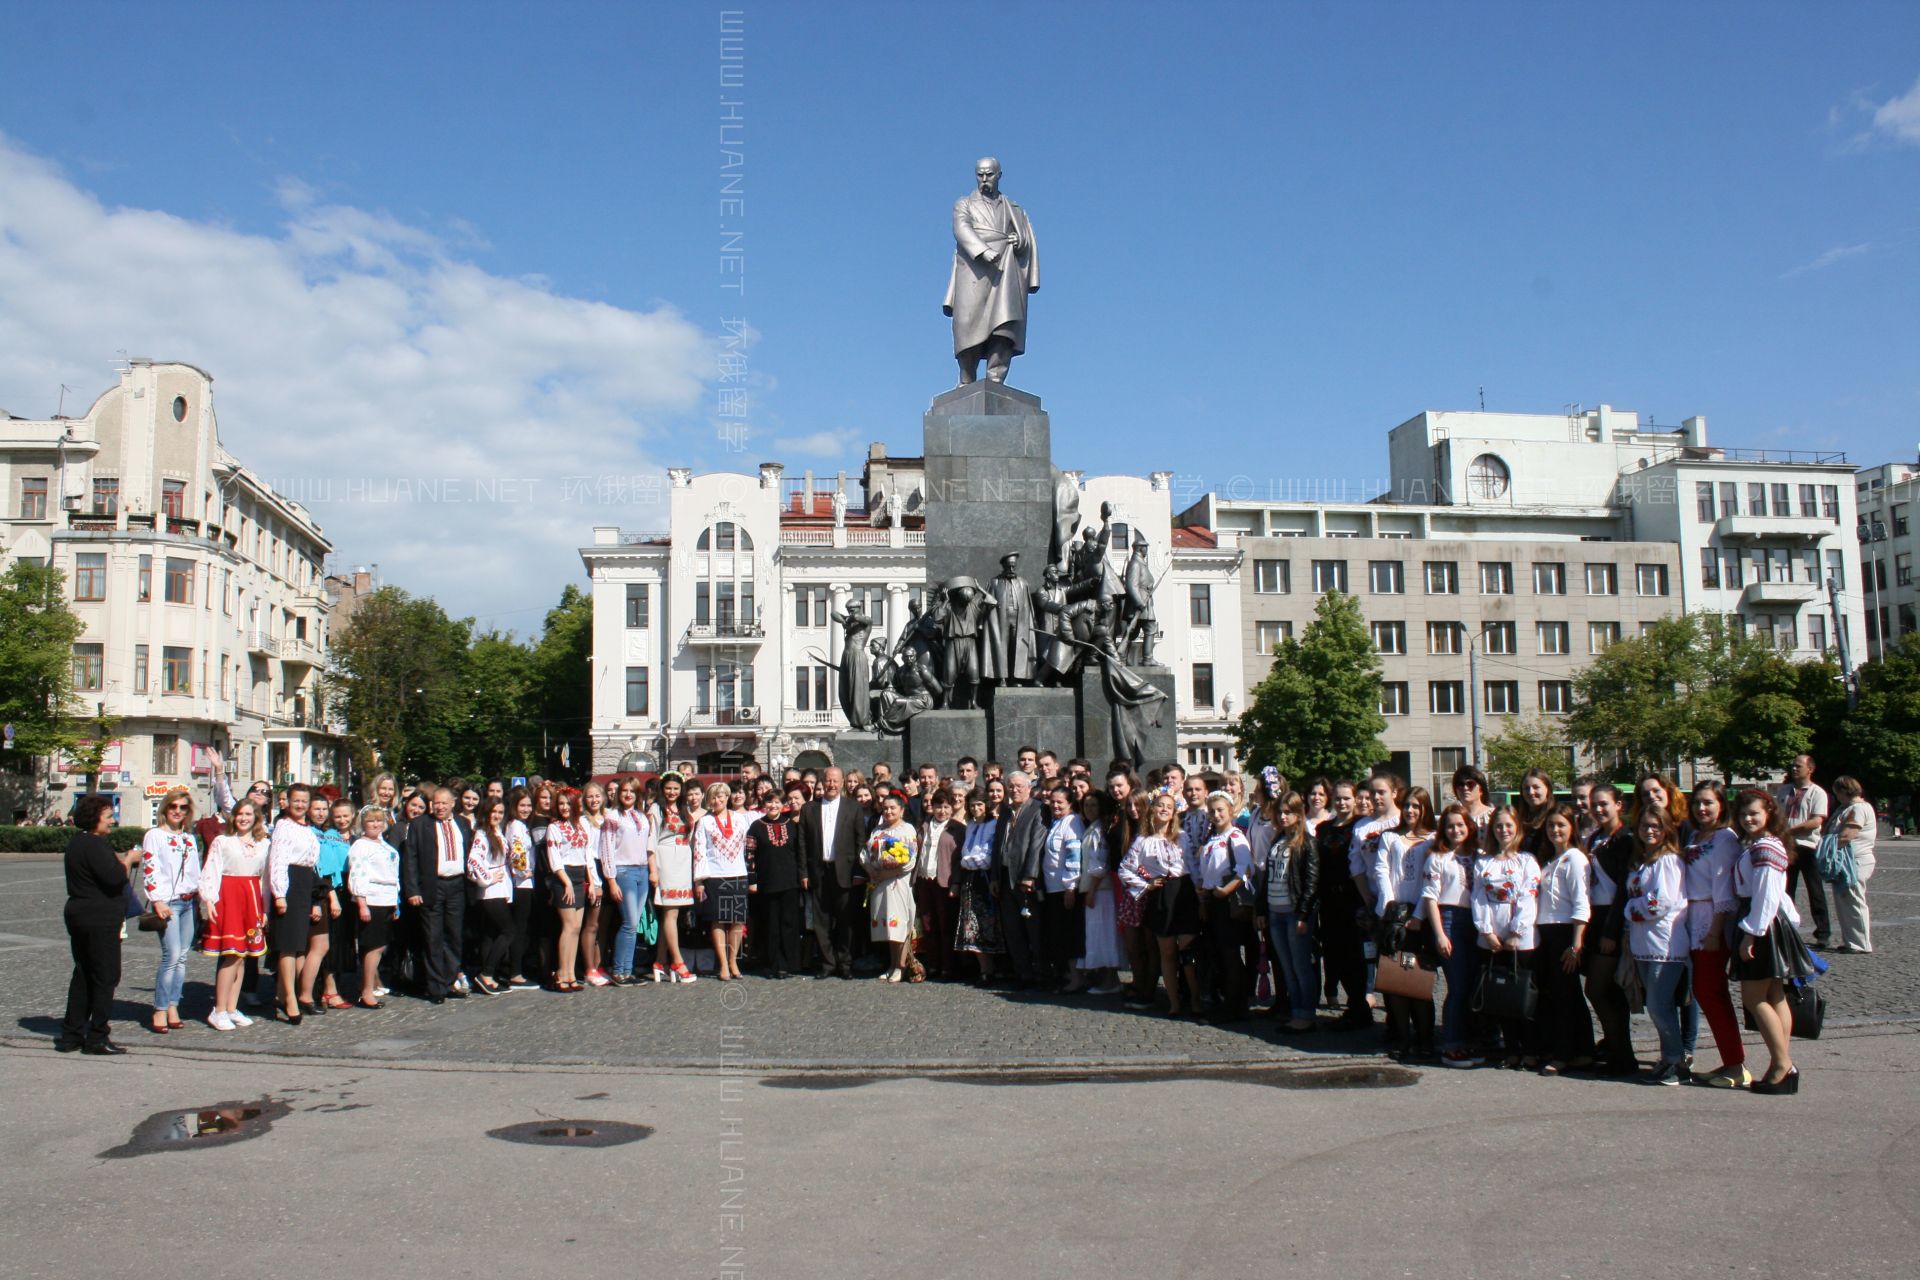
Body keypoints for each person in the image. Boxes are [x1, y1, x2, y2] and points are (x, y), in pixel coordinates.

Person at [945, 155, 1038, 385]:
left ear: (999, 176)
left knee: (1003, 327)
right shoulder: (964, 204)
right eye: (980, 174)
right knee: (966, 325)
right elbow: (961, 228)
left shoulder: (1014, 209)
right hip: (974, 272)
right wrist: (983, 250)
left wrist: (1019, 240)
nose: (984, 179)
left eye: (989, 174)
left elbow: (1027, 238)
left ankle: (996, 379)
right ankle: (966, 380)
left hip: (1005, 272)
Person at [1731, 790, 1801, 1094]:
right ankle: (1781, 1064)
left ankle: (1782, 1063)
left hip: (1760, 924)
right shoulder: (1764, 844)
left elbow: (1767, 893)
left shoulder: (1765, 846)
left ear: (1769, 813)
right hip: (1766, 922)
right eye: (1744, 814)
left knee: (1755, 997)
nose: (1748, 819)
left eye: (1754, 814)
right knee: (1774, 996)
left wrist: (1752, 932)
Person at [58, 795, 136, 1054]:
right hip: (99, 916)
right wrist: (128, 860)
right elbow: (114, 878)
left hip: (79, 912)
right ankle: (97, 1036)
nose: (112, 821)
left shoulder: (76, 843)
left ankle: (71, 1034)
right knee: (105, 976)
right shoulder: (94, 844)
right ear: (95, 818)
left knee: (83, 973)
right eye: (108, 816)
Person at [1681, 781, 1746, 1087]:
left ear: (1721, 804)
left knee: (1710, 991)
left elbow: (1724, 889)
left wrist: (1715, 932)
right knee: (1704, 993)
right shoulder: (1696, 836)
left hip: (1711, 920)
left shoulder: (1725, 839)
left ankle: (1735, 1064)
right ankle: (1729, 1061)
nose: (1702, 808)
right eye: (1697, 803)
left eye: (1708, 802)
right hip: (1692, 916)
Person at [1118, 792, 1202, 1017]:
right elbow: (1124, 869)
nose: (1164, 809)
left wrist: (1199, 893)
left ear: (1174, 813)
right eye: (1161, 806)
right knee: (1167, 953)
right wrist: (1146, 884)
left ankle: (1195, 999)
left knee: (1187, 950)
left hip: (1184, 893)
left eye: (1169, 807)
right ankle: (1173, 1002)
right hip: (1162, 895)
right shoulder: (1143, 840)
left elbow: (1192, 866)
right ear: (1153, 810)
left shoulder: (1182, 837)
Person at [1625, 806, 1691, 1086]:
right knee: (1655, 1005)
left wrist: (1630, 909)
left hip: (1665, 943)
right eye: (1644, 826)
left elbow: (1660, 902)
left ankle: (1677, 1060)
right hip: (1643, 942)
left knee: (1659, 1005)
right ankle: (1667, 1056)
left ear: (1666, 829)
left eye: (1655, 826)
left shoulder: (1668, 861)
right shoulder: (1644, 862)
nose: (1649, 830)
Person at [1471, 807, 1541, 1068]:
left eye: (1509, 826)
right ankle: (1511, 1049)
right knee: (1502, 998)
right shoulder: (1484, 862)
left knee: (1523, 996)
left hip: (1519, 941)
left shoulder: (1526, 861)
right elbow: (1478, 897)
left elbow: (1528, 896)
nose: (1504, 831)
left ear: (1517, 829)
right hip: (1491, 940)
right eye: (1499, 826)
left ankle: (1531, 1049)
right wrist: (1486, 931)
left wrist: (1515, 932)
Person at [1373, 787, 1437, 1061]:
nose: (1411, 811)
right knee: (1395, 979)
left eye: (1416, 806)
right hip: (1393, 916)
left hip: (1421, 918)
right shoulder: (1390, 837)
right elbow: (1381, 870)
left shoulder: (1433, 839)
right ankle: (1401, 1035)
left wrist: (1419, 915)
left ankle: (1424, 1037)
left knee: (1419, 979)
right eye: (1407, 805)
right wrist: (1390, 908)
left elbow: (1433, 878)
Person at [1531, 804, 1594, 1075]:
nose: (1555, 830)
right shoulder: (1551, 860)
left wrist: (1576, 943)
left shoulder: (1575, 858)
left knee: (1565, 995)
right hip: (1546, 931)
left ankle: (1564, 1053)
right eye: (1551, 826)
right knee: (1560, 994)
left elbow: (1582, 903)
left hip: (1564, 932)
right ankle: (1581, 1050)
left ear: (1571, 828)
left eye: (1561, 825)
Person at [199, 798, 269, 1029]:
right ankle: (218, 1009)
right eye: (240, 814)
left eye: (248, 814)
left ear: (256, 817)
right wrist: (209, 899)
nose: (244, 818)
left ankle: (231, 1006)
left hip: (251, 897)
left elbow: (265, 878)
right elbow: (212, 869)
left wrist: (264, 907)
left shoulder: (263, 844)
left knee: (242, 957)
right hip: (229, 896)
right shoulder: (224, 841)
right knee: (231, 955)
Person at [1583, 784, 1638, 1076]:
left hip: (1611, 918)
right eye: (1594, 805)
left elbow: (1623, 891)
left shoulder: (1625, 839)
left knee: (1598, 988)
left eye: (1604, 804)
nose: (1598, 809)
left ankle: (1622, 1054)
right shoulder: (1595, 838)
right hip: (1593, 917)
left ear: (1619, 805)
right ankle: (1618, 1050)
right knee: (1607, 990)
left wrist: (1611, 930)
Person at [1421, 804, 1481, 1067]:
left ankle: (1471, 1039)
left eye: (1460, 825)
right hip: (1449, 920)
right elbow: (1430, 899)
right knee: (1456, 987)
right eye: (1450, 825)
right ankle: (1451, 1044)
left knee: (1473, 985)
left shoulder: (1480, 855)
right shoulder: (1437, 857)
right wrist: (1440, 935)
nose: (1456, 830)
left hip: (1476, 922)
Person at [401, 787, 472, 1005]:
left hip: (457, 884)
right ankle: (435, 987)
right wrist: (412, 890)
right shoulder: (420, 824)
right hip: (433, 885)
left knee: (453, 935)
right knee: (433, 936)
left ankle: (450, 979)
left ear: (453, 803)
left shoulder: (463, 824)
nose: (439, 807)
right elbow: (410, 858)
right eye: (436, 803)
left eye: (443, 803)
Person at [140, 787, 201, 1035]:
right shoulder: (155, 835)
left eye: (182, 807)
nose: (177, 811)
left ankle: (174, 1005)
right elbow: (150, 868)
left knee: (183, 957)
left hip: (189, 902)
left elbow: (195, 870)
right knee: (171, 955)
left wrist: (203, 897)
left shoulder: (189, 838)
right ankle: (160, 1008)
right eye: (173, 806)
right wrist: (157, 899)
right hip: (169, 902)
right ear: (165, 808)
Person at [800, 767, 869, 979]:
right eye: (828, 781)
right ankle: (827, 963)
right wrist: (803, 873)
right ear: (823, 782)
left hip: (845, 872)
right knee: (821, 921)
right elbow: (802, 843)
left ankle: (845, 962)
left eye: (835, 781)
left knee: (846, 920)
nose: (831, 785)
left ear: (842, 783)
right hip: (819, 871)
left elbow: (860, 841)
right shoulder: (809, 809)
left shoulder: (853, 807)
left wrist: (859, 872)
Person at [1191, 791, 1254, 1022]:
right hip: (1212, 901)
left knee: (1230, 955)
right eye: (1212, 811)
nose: (1216, 815)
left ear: (1230, 811)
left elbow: (1245, 869)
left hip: (1227, 901)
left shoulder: (1235, 837)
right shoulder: (1211, 839)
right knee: (1217, 953)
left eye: (1220, 810)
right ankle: (1223, 999)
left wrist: (1224, 891)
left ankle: (1236, 1005)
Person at [1262, 790, 1320, 1033]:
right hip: (1275, 912)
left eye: (1288, 812)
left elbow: (1311, 882)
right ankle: (1295, 1011)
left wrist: (1304, 915)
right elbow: (1267, 878)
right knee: (1286, 966)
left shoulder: (1307, 842)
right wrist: (1260, 909)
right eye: (1280, 812)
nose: (1283, 817)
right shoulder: (1277, 841)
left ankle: (1306, 1013)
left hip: (1295, 913)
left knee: (1301, 965)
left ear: (1299, 814)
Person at [267, 783, 324, 1023]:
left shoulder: (308, 828)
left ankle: (282, 993)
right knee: (288, 946)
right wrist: (279, 893)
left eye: (304, 801)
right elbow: (278, 860)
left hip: (303, 884)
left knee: (299, 945)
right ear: (287, 803)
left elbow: (311, 864)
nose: (300, 805)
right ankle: (290, 998)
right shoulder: (284, 826)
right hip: (289, 884)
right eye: (296, 801)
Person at [1316, 781, 1370, 1027]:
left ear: (1355, 799)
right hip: (1329, 900)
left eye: (1347, 798)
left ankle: (1360, 1006)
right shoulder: (1324, 828)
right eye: (1337, 798)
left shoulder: (1361, 825)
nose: (1342, 803)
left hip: (1353, 899)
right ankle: (1353, 1004)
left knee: (1356, 956)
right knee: (1334, 954)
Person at [746, 784, 808, 979]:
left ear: (783, 805)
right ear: (764, 804)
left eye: (777, 802)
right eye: (770, 801)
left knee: (789, 924)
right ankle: (772, 964)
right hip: (767, 882)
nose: (773, 805)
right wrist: (752, 879)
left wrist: (801, 876)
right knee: (770, 925)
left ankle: (789, 964)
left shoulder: (791, 825)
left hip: (790, 882)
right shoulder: (756, 826)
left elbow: (799, 853)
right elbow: (749, 855)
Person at [992, 770, 1048, 987]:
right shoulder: (1005, 812)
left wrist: (1030, 876)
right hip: (1005, 877)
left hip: (1026, 879)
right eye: (1011, 787)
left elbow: (1036, 844)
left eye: (1019, 786)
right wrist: (995, 876)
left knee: (1034, 929)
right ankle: (1022, 973)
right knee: (1013, 929)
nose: (1015, 790)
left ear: (1029, 788)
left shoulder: (1038, 809)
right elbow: (998, 845)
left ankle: (1042, 973)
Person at [545, 789, 602, 991]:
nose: (564, 807)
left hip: (580, 876)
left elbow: (587, 855)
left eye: (568, 804)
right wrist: (566, 882)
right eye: (561, 804)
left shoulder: (581, 824)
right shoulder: (554, 827)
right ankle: (562, 973)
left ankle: (571, 974)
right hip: (564, 877)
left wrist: (592, 882)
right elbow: (555, 858)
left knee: (577, 928)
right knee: (568, 927)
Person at [693, 781, 750, 981]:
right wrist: (699, 881)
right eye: (713, 797)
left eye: (721, 796)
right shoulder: (704, 822)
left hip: (737, 874)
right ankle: (723, 964)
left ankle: (733, 960)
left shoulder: (741, 819)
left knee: (737, 921)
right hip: (715, 876)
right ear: (708, 801)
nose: (717, 800)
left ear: (727, 798)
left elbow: (748, 847)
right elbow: (699, 851)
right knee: (718, 921)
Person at [863, 792, 920, 983]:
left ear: (901, 810)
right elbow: (864, 853)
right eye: (885, 808)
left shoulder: (907, 830)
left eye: (892, 808)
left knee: (899, 925)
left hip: (898, 882)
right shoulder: (878, 830)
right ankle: (892, 963)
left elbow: (910, 860)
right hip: (879, 883)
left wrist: (888, 874)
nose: (888, 811)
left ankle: (901, 965)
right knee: (888, 926)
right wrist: (870, 869)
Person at [1074, 788, 1125, 995]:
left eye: (1094, 805)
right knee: (1098, 934)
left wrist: (1092, 890)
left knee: (1105, 935)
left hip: (1101, 891)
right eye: (1086, 805)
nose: (1089, 809)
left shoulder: (1099, 830)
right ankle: (1105, 976)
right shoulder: (1092, 828)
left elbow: (1100, 864)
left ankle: (1111, 979)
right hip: (1096, 888)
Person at [347, 805, 399, 1008]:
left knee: (381, 945)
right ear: (363, 824)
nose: (376, 824)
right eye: (371, 821)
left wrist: (395, 902)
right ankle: (366, 990)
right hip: (372, 899)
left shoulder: (384, 845)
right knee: (372, 946)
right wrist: (362, 903)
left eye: (379, 820)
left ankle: (369, 986)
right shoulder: (361, 846)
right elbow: (358, 874)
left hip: (386, 898)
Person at [601, 780, 652, 985]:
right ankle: (619, 970)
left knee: (634, 923)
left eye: (632, 791)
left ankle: (627, 969)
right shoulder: (613, 817)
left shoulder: (641, 816)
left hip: (642, 870)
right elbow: (606, 849)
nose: (628, 794)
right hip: (624, 871)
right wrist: (611, 880)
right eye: (624, 791)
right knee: (629, 923)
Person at [953, 788, 1006, 982]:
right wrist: (968, 861)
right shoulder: (970, 826)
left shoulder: (994, 825)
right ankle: (983, 968)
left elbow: (987, 856)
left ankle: (993, 968)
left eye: (979, 804)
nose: (975, 808)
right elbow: (965, 854)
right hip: (970, 881)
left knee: (989, 925)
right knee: (971, 926)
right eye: (972, 805)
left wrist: (969, 860)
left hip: (986, 879)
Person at [1039, 783, 1088, 990]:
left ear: (1070, 804)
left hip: (1064, 888)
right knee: (1059, 934)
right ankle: (1066, 975)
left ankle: (1076, 978)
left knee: (1070, 934)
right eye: (1053, 802)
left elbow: (1074, 856)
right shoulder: (1055, 822)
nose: (1055, 806)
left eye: (1060, 802)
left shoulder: (1072, 822)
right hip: (1052, 887)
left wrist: (1070, 887)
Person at [649, 773, 697, 983]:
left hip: (683, 860)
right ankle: (677, 961)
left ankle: (660, 961)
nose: (672, 792)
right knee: (670, 913)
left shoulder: (684, 810)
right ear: (662, 789)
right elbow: (650, 843)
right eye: (668, 788)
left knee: (674, 914)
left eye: (676, 788)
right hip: (666, 859)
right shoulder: (656, 809)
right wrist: (653, 870)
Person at [914, 787, 964, 981]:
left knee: (946, 926)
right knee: (928, 924)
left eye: (946, 807)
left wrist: (956, 883)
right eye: (938, 806)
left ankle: (948, 966)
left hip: (945, 881)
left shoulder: (957, 829)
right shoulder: (923, 825)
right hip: (924, 879)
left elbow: (959, 859)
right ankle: (933, 963)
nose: (942, 811)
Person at [465, 798, 514, 995]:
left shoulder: (496, 832)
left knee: (491, 933)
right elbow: (473, 861)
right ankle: (486, 973)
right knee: (509, 931)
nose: (497, 815)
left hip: (501, 889)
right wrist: (488, 877)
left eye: (501, 812)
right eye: (494, 811)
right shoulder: (482, 834)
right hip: (491, 891)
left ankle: (488, 978)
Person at [1827, 776, 1876, 953]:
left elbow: (1848, 834)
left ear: (1843, 791)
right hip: (1846, 861)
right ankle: (1851, 941)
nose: (1836, 797)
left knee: (1854, 900)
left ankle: (1861, 943)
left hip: (1856, 861)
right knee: (1845, 901)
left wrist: (1826, 848)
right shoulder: (1847, 808)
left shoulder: (1859, 809)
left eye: (1837, 793)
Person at [500, 788, 538, 989]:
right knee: (519, 928)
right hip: (520, 883)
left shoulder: (522, 825)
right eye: (522, 805)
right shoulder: (515, 826)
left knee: (522, 928)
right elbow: (517, 851)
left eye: (529, 805)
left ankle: (516, 969)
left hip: (524, 882)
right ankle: (515, 972)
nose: (526, 809)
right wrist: (525, 871)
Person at [577, 782, 613, 986]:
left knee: (604, 925)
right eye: (590, 797)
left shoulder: (608, 817)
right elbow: (585, 852)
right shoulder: (583, 821)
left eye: (597, 796)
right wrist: (593, 881)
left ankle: (600, 965)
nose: (594, 800)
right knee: (592, 923)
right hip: (592, 870)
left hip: (608, 869)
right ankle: (589, 968)